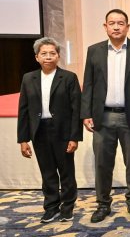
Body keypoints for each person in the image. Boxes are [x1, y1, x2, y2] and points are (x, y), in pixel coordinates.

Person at [81, 9, 130, 223]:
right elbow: (88, 84)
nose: (116, 27)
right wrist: (86, 113)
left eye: (121, 23)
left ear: (128, 27)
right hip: (103, 117)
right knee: (102, 164)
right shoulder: (94, 51)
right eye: (112, 23)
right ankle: (103, 204)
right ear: (105, 27)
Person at [18, 37, 82, 223]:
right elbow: (23, 110)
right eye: (44, 53)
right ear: (37, 57)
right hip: (39, 131)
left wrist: (74, 137)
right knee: (47, 172)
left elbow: (76, 110)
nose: (48, 57)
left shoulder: (69, 78)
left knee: (66, 172)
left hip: (62, 132)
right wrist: (23, 139)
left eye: (52, 53)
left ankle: (67, 207)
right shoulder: (28, 78)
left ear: (58, 56)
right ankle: (51, 207)